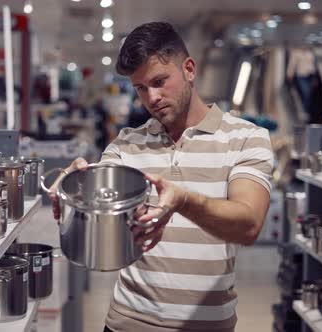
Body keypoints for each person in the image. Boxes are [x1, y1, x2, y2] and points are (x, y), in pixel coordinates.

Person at [48, 22, 273, 332]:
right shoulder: (127, 143)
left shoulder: (247, 138)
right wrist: (72, 180)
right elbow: (95, 189)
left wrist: (183, 200)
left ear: (189, 69)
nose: (152, 97)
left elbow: (249, 225)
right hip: (126, 323)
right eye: (141, 88)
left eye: (159, 81)